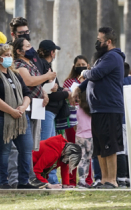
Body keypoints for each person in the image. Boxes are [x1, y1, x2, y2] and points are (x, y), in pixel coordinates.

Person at [74, 26, 125, 189]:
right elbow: (93, 76)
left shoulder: (113, 56)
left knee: (109, 146)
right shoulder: (103, 58)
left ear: (108, 42)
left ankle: (112, 180)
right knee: (100, 147)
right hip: (97, 109)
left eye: (99, 40)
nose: (97, 43)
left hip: (109, 107)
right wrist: (79, 87)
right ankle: (103, 180)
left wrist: (85, 72)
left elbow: (95, 74)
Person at [0, 43, 39, 189]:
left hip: (20, 117)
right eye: (5, 55)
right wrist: (11, 111)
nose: (9, 58)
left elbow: (27, 93)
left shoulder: (15, 74)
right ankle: (4, 182)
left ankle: (23, 181)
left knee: (26, 149)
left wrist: (23, 107)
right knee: (4, 150)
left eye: (10, 55)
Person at [12, 38, 56, 187]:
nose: (31, 49)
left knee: (32, 144)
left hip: (36, 106)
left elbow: (36, 83)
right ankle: (26, 177)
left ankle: (31, 176)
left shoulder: (30, 63)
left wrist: (44, 93)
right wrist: (48, 77)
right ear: (19, 51)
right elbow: (29, 81)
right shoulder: (19, 64)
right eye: (27, 47)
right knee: (26, 145)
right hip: (25, 107)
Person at [37, 40, 75, 186]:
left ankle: (51, 178)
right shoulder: (44, 68)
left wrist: (62, 91)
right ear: (52, 52)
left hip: (51, 113)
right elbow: (49, 94)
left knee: (52, 147)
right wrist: (66, 94)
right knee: (48, 148)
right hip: (47, 111)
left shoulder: (46, 66)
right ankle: (47, 179)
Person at [58, 55, 94, 187]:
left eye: (83, 64)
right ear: (74, 66)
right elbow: (68, 100)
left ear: (88, 66)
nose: (81, 67)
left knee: (87, 151)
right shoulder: (68, 82)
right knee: (73, 151)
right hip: (73, 119)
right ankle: (71, 181)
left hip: (88, 118)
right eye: (78, 65)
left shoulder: (91, 81)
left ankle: (87, 180)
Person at [118, 62, 131, 188]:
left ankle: (122, 177)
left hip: (120, 118)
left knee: (121, 149)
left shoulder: (117, 82)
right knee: (130, 149)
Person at [75, 91, 93, 188]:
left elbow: (75, 123)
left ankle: (81, 180)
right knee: (87, 159)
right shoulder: (91, 109)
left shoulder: (77, 109)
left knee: (81, 159)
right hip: (90, 136)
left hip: (79, 136)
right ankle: (85, 179)